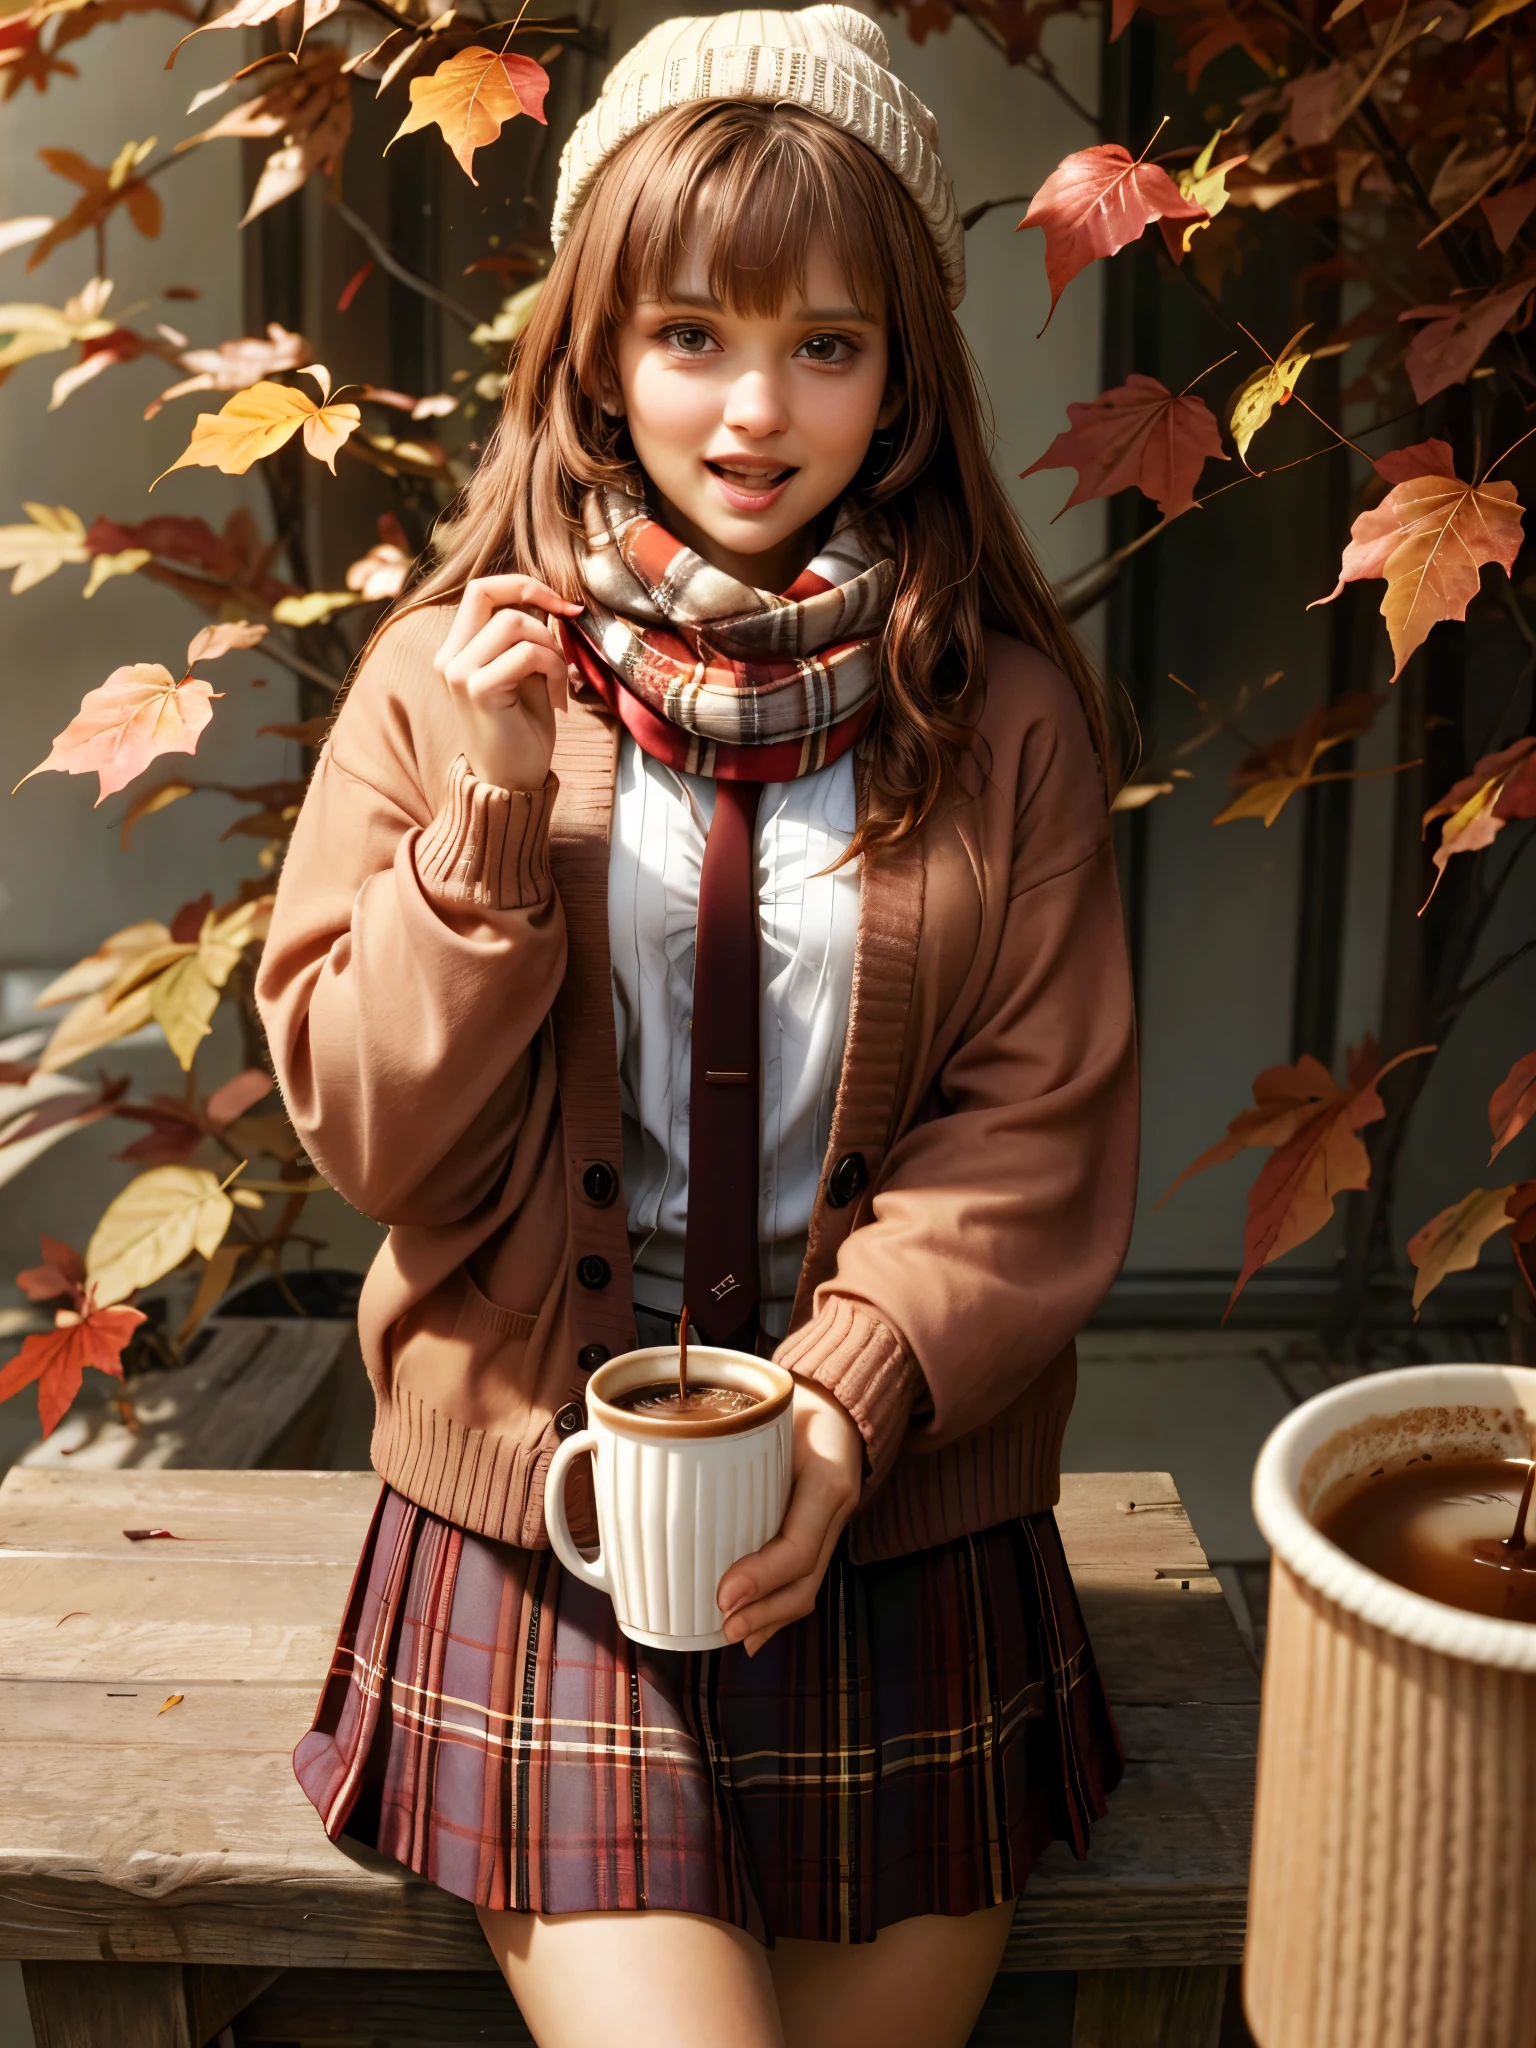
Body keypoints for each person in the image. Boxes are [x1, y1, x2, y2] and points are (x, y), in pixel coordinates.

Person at [256, 10, 1139, 2043]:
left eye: (824, 344)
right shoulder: (443, 680)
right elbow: (376, 1145)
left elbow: (1036, 1128)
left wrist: (838, 1404)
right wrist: (483, 824)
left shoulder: (1001, 715)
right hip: (544, 1510)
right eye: (690, 336)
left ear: (904, 366)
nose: (755, 410)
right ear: (593, 350)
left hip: (899, 1513)